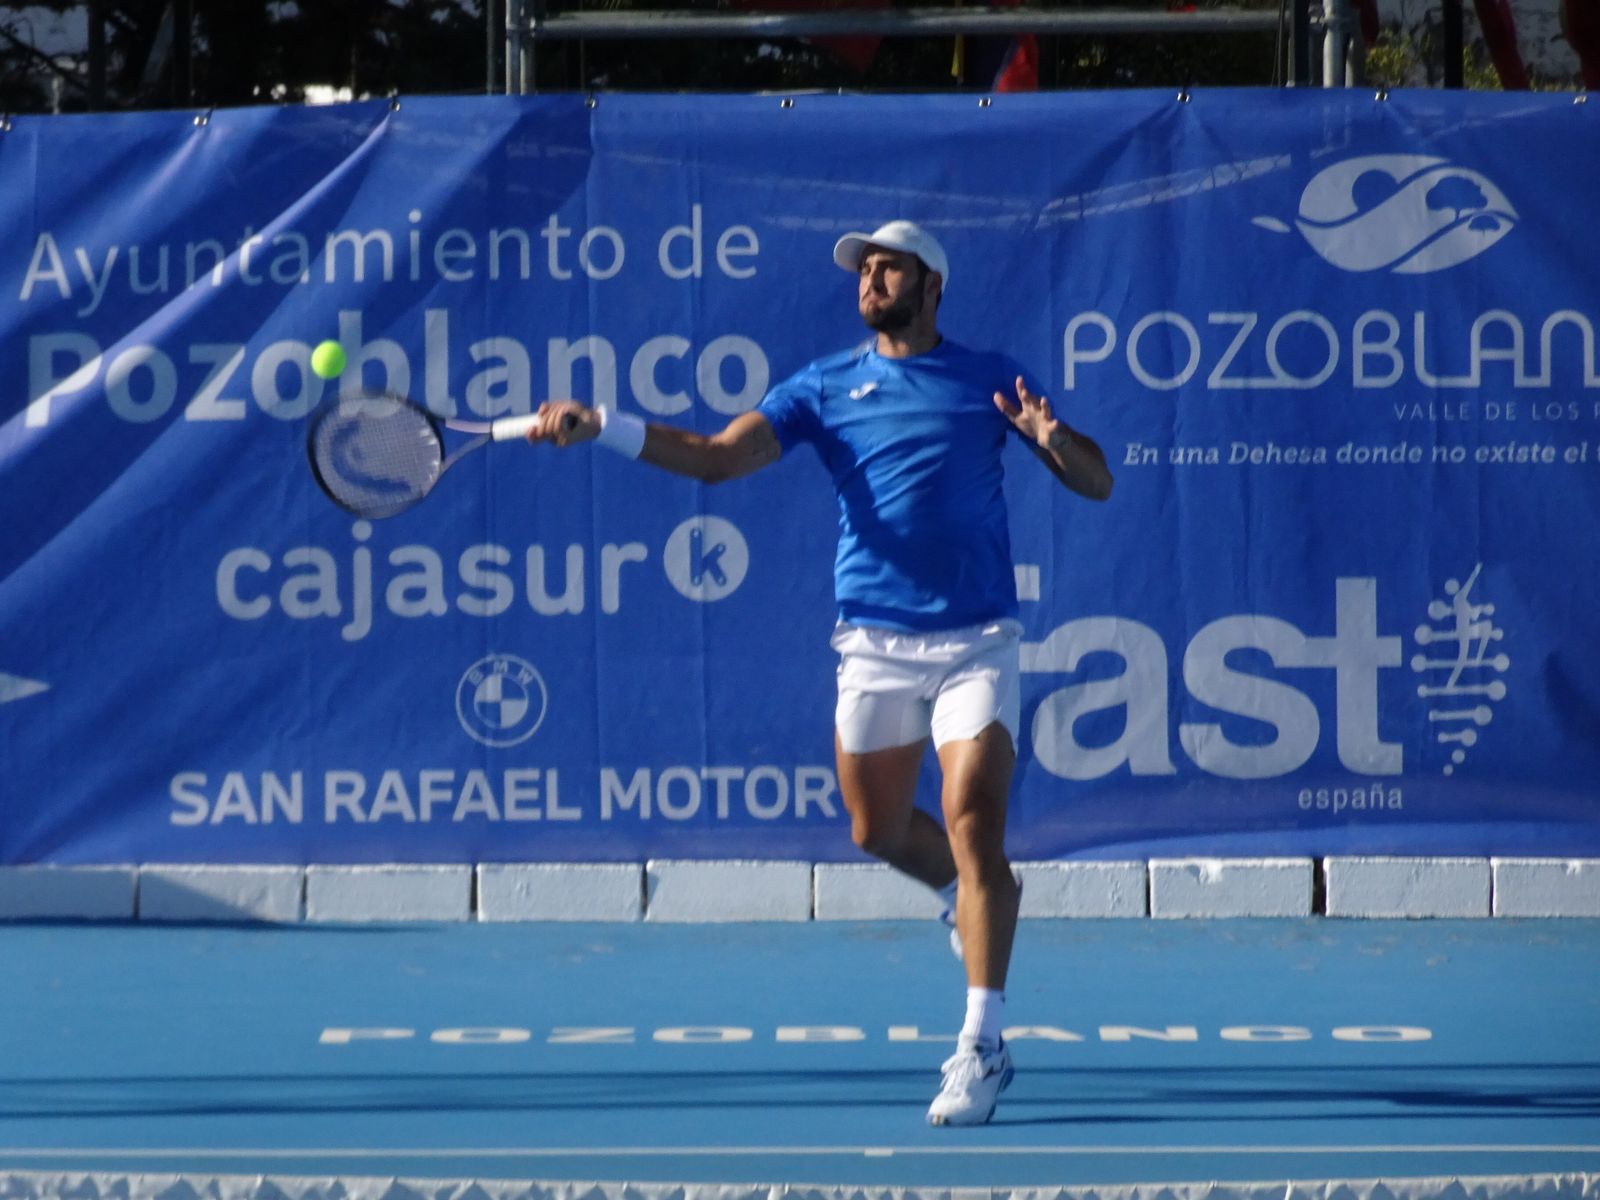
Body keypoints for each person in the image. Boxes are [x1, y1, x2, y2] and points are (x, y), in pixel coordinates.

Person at [529, 219, 1112, 1125]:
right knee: (876, 828)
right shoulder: (823, 386)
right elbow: (718, 460)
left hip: (976, 640)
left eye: (889, 268)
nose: (870, 280)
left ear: (932, 284)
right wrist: (605, 426)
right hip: (873, 643)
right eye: (864, 269)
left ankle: (982, 1044)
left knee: (972, 817)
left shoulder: (990, 377)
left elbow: (1096, 481)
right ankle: (961, 896)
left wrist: (1051, 435)